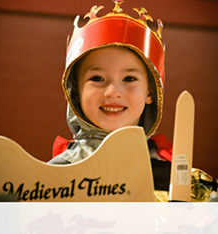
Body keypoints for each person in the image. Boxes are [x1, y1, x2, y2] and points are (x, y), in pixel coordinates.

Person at [47, 1, 172, 190]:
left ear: (151, 92)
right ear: (75, 91)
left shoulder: (173, 179)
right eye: (97, 78)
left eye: (129, 79)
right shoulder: (52, 178)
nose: (113, 92)